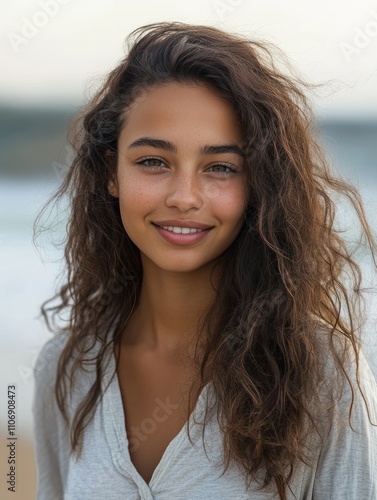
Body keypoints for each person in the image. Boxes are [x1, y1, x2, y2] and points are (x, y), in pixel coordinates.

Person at [32, 21, 377, 500]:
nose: (184, 197)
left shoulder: (323, 371)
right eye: (153, 161)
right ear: (110, 172)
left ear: (258, 185)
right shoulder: (65, 369)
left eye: (220, 167)